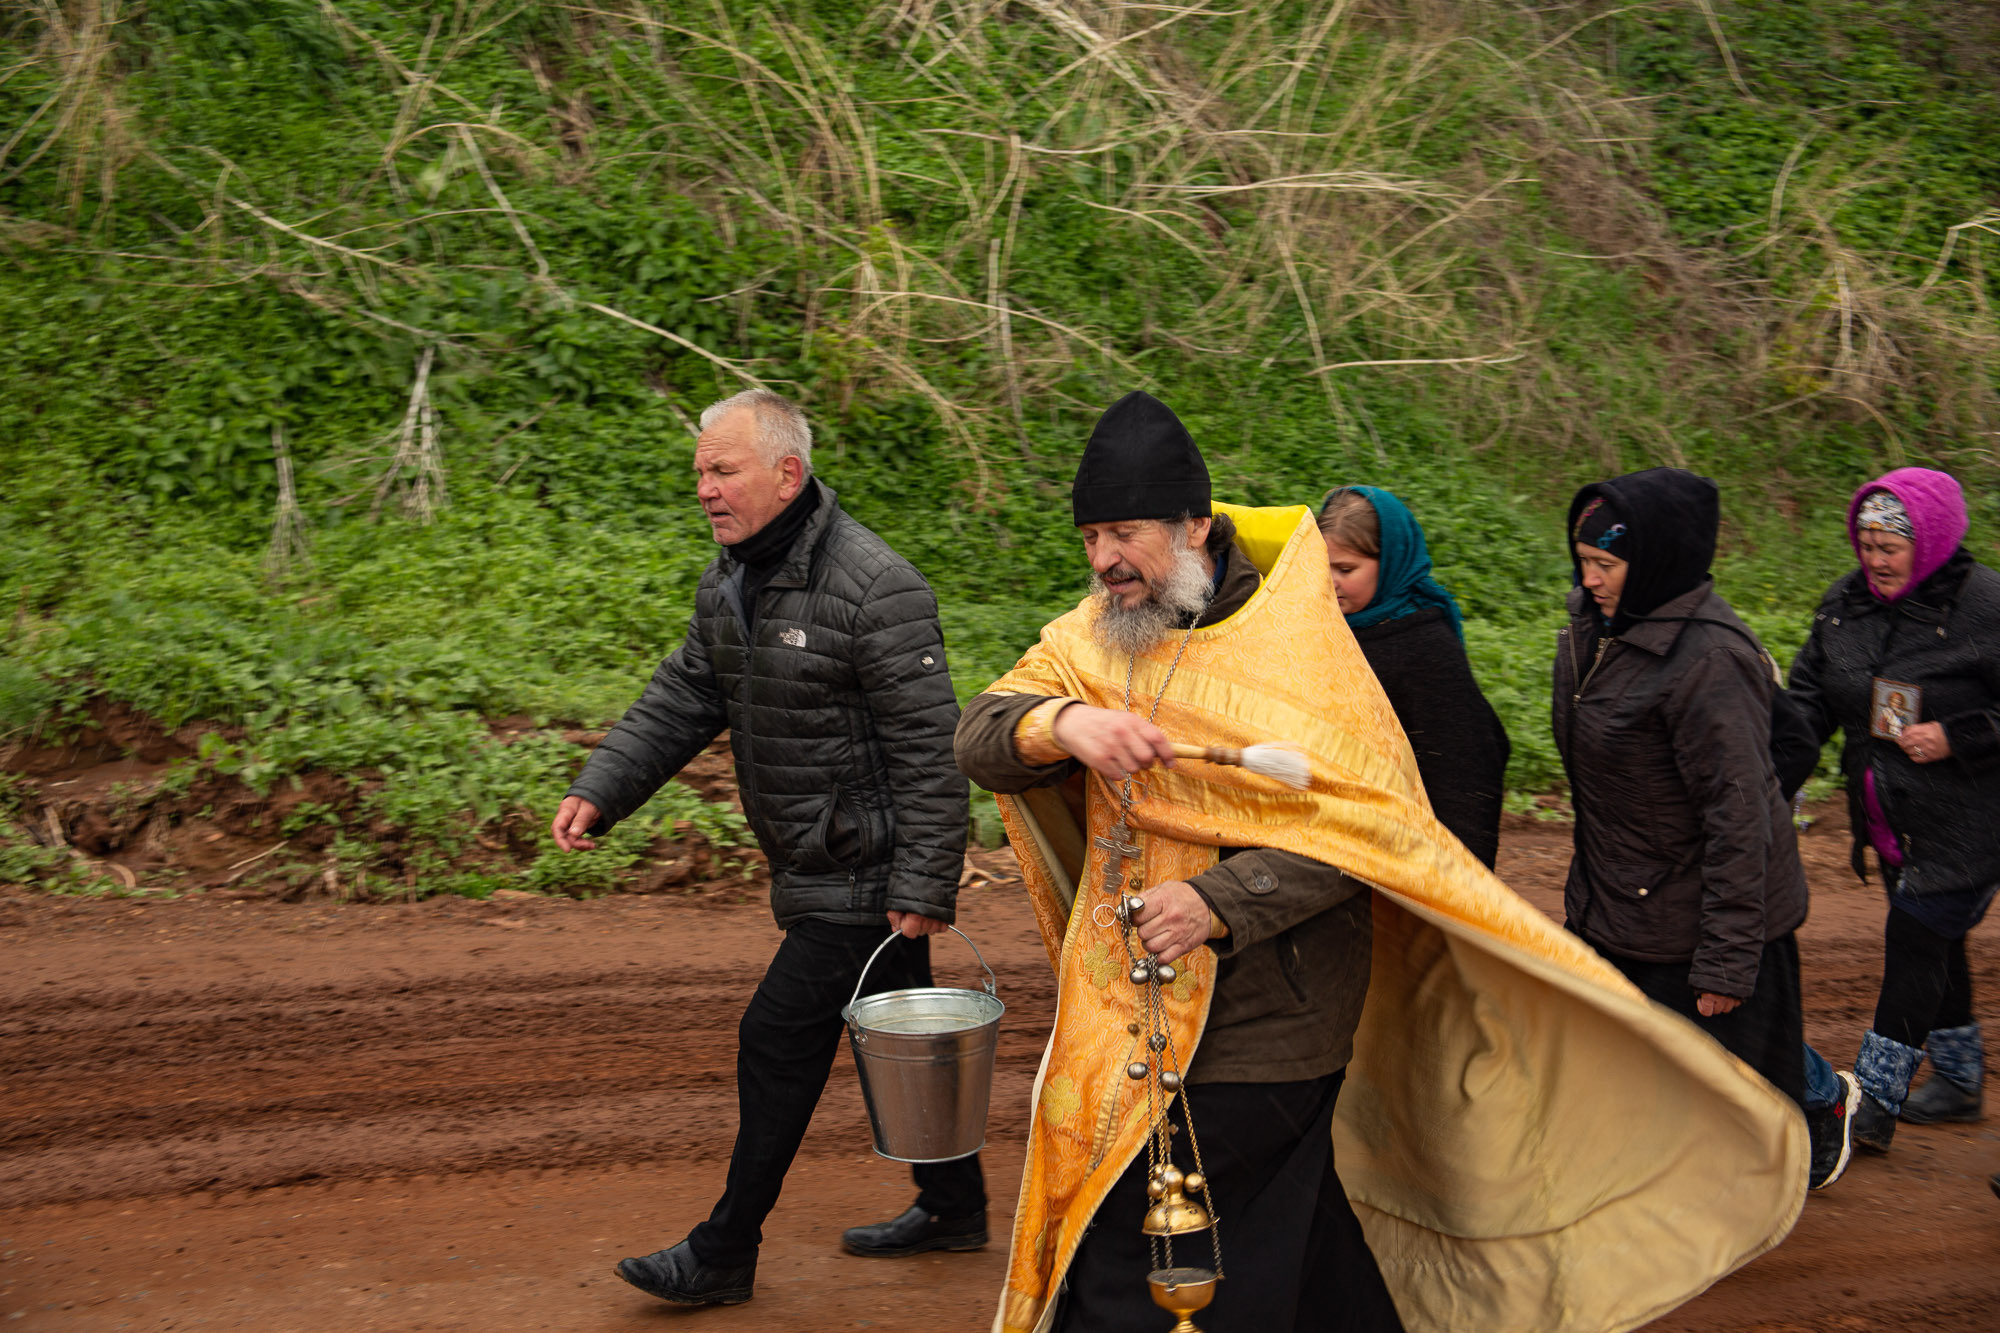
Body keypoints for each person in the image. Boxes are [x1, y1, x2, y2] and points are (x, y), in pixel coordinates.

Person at [956, 391, 1403, 1332]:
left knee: (1137, 1262)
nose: (1103, 560)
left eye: (1125, 533)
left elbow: (1373, 827)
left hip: (1266, 1025)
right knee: (1306, 1253)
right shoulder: (1090, 639)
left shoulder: (1299, 648)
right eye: (1090, 537)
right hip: (1129, 1013)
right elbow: (979, 735)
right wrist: (1062, 723)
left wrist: (1217, 901)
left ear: (1195, 525)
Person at [550, 389, 984, 1308]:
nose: (704, 488)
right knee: (903, 1032)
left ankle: (724, 1249)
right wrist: (602, 786)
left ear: (788, 474)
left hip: (862, 869)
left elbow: (930, 749)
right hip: (814, 857)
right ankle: (955, 1205)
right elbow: (686, 693)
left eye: (723, 469)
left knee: (777, 1036)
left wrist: (922, 882)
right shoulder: (733, 578)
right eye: (700, 472)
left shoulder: (875, 586)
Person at [1552, 467, 1859, 1190]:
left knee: (1729, 1105)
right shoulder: (1597, 628)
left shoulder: (1709, 660)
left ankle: (1819, 1113)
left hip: (1698, 920)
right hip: (1627, 901)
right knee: (1638, 1086)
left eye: (1606, 565)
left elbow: (1739, 817)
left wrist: (1726, 961)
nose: (1589, 579)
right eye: (1583, 560)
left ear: (1656, 560)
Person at [1786, 467, 1998, 1153]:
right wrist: (1775, 763)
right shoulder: (1845, 604)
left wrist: (1958, 735)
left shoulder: (1985, 605)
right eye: (1867, 544)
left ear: (1929, 541)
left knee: (1914, 938)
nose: (1875, 559)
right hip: (1889, 818)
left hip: (1971, 818)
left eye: (1890, 546)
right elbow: (1810, 696)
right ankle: (1960, 1081)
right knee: (1935, 940)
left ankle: (1873, 1103)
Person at [1316, 486, 1510, 867]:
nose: (1330, 580)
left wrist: (1459, 876)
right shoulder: (1320, 630)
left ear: (1391, 562)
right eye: (1322, 565)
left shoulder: (1425, 647)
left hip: (1404, 854)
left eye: (1346, 569)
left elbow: (1465, 771)